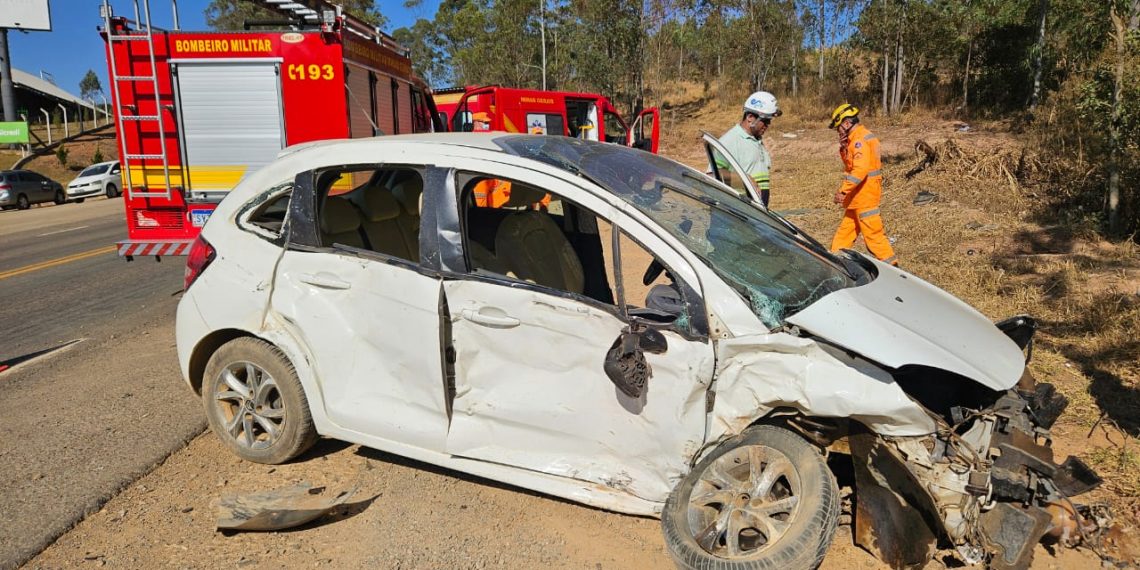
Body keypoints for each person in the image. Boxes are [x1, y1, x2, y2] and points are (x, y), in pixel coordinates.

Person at [827, 104, 897, 266]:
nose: (838, 132)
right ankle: (835, 264)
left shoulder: (859, 140)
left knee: (874, 238)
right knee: (843, 236)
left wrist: (843, 191)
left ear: (846, 123)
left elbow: (860, 169)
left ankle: (895, 270)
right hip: (856, 199)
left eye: (838, 128)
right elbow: (851, 165)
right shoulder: (855, 140)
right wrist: (844, 148)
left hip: (865, 198)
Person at [711, 91, 781, 207]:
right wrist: (745, 179)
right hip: (739, 210)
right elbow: (712, 174)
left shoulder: (756, 140)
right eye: (765, 120)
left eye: (769, 121)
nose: (768, 125)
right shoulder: (730, 140)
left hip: (756, 210)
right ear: (750, 117)